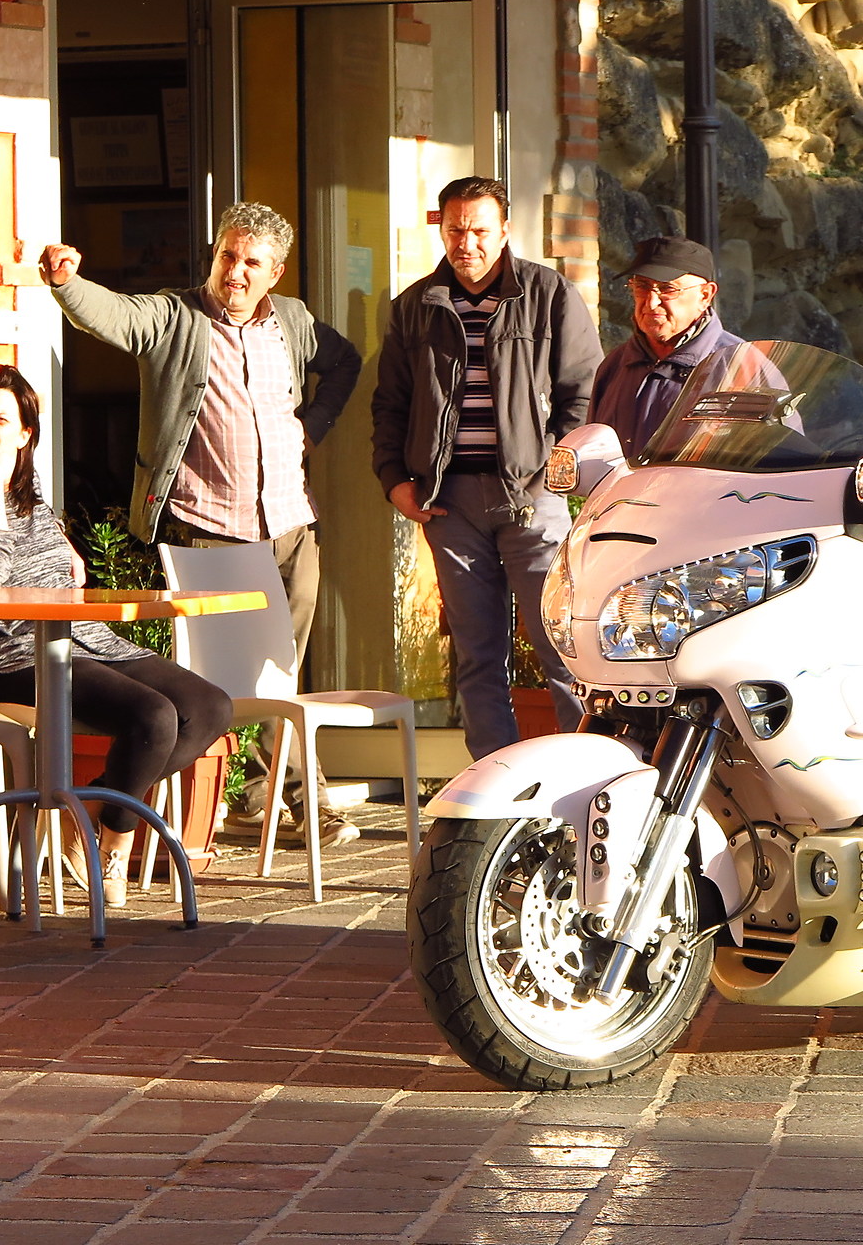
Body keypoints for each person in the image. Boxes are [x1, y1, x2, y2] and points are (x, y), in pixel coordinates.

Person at [39, 202, 361, 845]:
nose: (235, 272)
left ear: (275, 273)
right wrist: (67, 283)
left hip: (291, 527)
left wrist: (315, 423)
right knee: (219, 676)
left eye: (251, 263)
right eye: (227, 256)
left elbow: (345, 361)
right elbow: (114, 316)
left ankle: (262, 793)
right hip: (210, 528)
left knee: (279, 672)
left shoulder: (293, 320)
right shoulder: (175, 317)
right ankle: (296, 800)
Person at [0, 367, 234, 911]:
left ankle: (84, 811)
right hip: (4, 659)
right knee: (152, 716)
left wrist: (63, 546)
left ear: (25, 435)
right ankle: (111, 849)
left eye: (1, 419)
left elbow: (57, 568)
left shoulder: (32, 500)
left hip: (84, 640)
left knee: (209, 707)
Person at [372, 176, 600, 759]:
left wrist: (553, 468)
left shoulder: (549, 294)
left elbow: (583, 392)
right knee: (476, 655)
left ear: (504, 232)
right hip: (449, 504)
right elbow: (390, 404)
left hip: (533, 498)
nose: (465, 242)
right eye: (455, 230)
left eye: (478, 230)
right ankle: (495, 780)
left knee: (563, 647)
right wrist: (395, 481)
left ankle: (592, 775)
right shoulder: (415, 307)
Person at [591, 235, 746, 456]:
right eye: (642, 286)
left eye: (667, 289)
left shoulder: (740, 364)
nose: (651, 302)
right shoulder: (615, 366)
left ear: (705, 295)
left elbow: (777, 457)